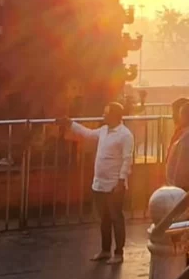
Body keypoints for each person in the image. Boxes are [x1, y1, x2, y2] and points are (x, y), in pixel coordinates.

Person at [58, 102, 135, 264]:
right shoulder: (103, 131)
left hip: (114, 185)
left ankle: (118, 253)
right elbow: (87, 134)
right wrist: (71, 123)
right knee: (104, 219)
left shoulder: (125, 135)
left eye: (106, 113)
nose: (103, 115)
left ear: (114, 115)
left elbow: (127, 159)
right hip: (99, 184)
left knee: (116, 218)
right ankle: (105, 251)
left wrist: (121, 181)